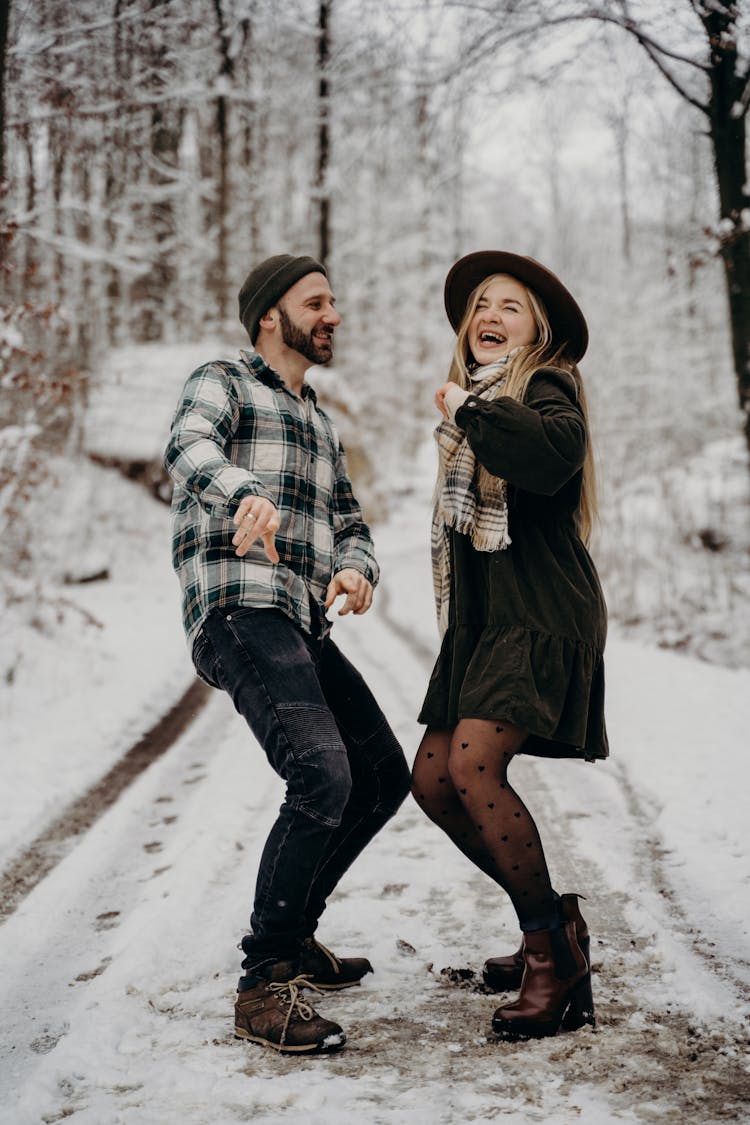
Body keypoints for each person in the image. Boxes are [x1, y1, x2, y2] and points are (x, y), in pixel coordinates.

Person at [164, 253, 410, 1054]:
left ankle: (295, 933)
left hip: (300, 619)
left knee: (380, 774)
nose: (334, 313)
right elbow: (187, 443)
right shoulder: (224, 378)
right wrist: (244, 492)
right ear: (272, 314)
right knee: (322, 772)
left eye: (335, 300)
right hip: (239, 606)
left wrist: (355, 565)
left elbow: (352, 519)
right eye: (318, 301)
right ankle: (265, 981)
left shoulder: (319, 419)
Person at [412, 250, 609, 1041]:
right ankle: (554, 924)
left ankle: (548, 959)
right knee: (432, 780)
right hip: (485, 621)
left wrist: (470, 409)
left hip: (540, 609)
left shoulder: (545, 385)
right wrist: (467, 411)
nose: (490, 315)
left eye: (512, 306)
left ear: (539, 330)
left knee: (473, 765)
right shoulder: (476, 410)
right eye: (482, 304)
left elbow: (548, 456)